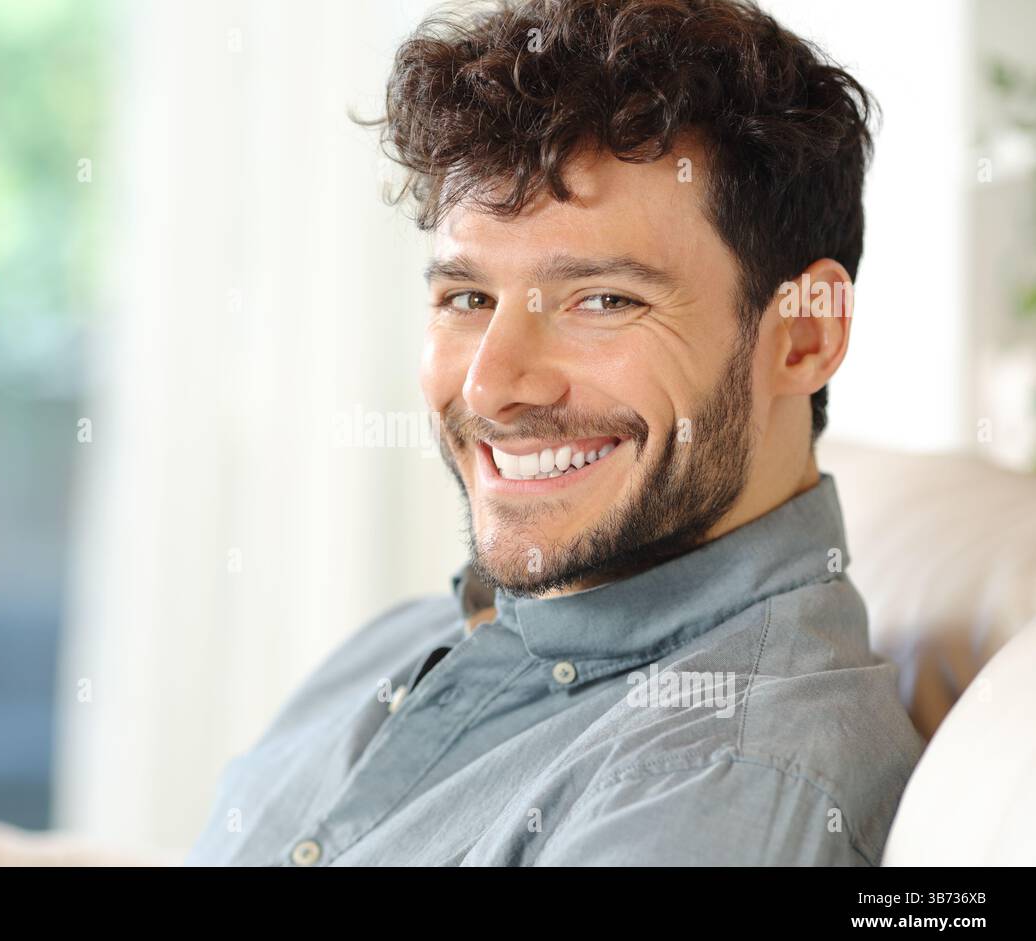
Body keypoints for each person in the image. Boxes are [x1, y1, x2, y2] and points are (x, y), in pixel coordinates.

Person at [185, 0, 924, 866]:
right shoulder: (420, 639)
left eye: (602, 301)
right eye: (468, 299)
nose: (492, 387)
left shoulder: (718, 783)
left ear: (804, 334)